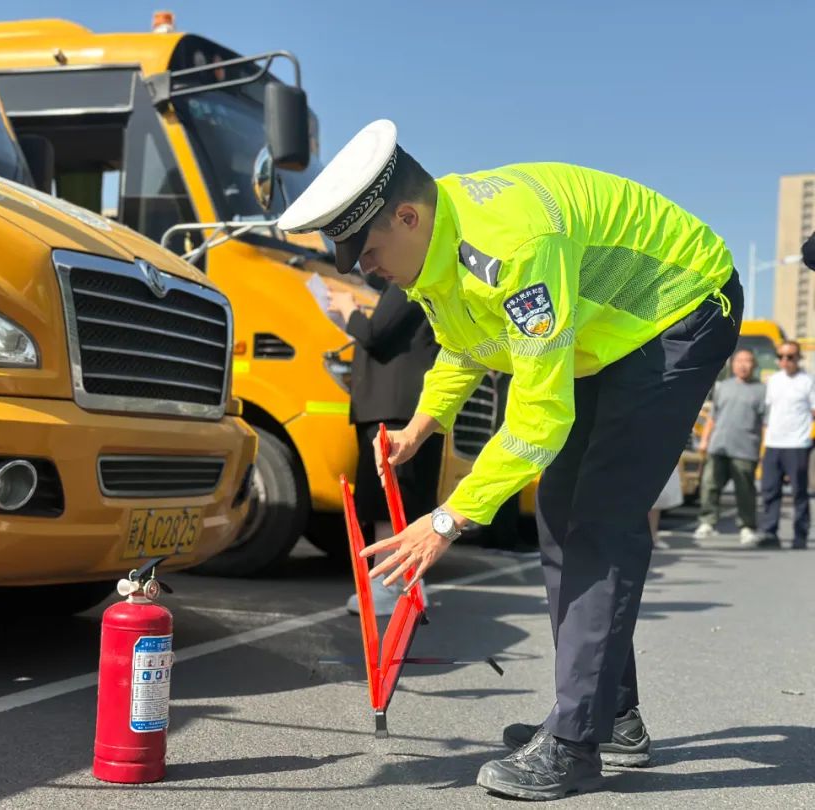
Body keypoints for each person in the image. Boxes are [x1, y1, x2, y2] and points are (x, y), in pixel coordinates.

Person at [277, 120, 741, 801]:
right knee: (559, 513)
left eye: (368, 252)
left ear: (407, 215)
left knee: (601, 519)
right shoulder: (435, 247)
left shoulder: (512, 247)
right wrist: (419, 425)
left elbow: (538, 417)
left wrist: (447, 520)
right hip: (606, 331)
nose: (364, 270)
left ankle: (576, 745)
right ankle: (609, 715)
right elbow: (464, 344)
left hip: (679, 311)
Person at [326, 277, 444, 615]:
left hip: (391, 406)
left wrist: (350, 310)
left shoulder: (407, 281)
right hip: (410, 405)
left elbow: (374, 334)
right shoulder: (429, 280)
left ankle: (386, 585)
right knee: (407, 495)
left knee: (387, 497)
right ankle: (409, 583)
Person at [694, 348, 765, 546]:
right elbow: (712, 417)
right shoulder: (722, 387)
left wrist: (763, 449)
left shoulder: (761, 390)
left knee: (745, 491)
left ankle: (747, 527)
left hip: (745, 449)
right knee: (710, 485)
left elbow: (765, 423)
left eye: (747, 361)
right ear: (733, 365)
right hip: (718, 446)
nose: (743, 365)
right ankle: (707, 522)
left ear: (754, 365)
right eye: (739, 361)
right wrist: (705, 441)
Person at [758, 340, 815, 550]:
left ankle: (800, 535)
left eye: (790, 357)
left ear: (798, 358)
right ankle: (770, 533)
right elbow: (767, 414)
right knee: (770, 490)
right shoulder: (773, 381)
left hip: (798, 444)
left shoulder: (807, 381)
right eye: (781, 356)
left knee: (799, 492)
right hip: (774, 443)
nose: (785, 361)